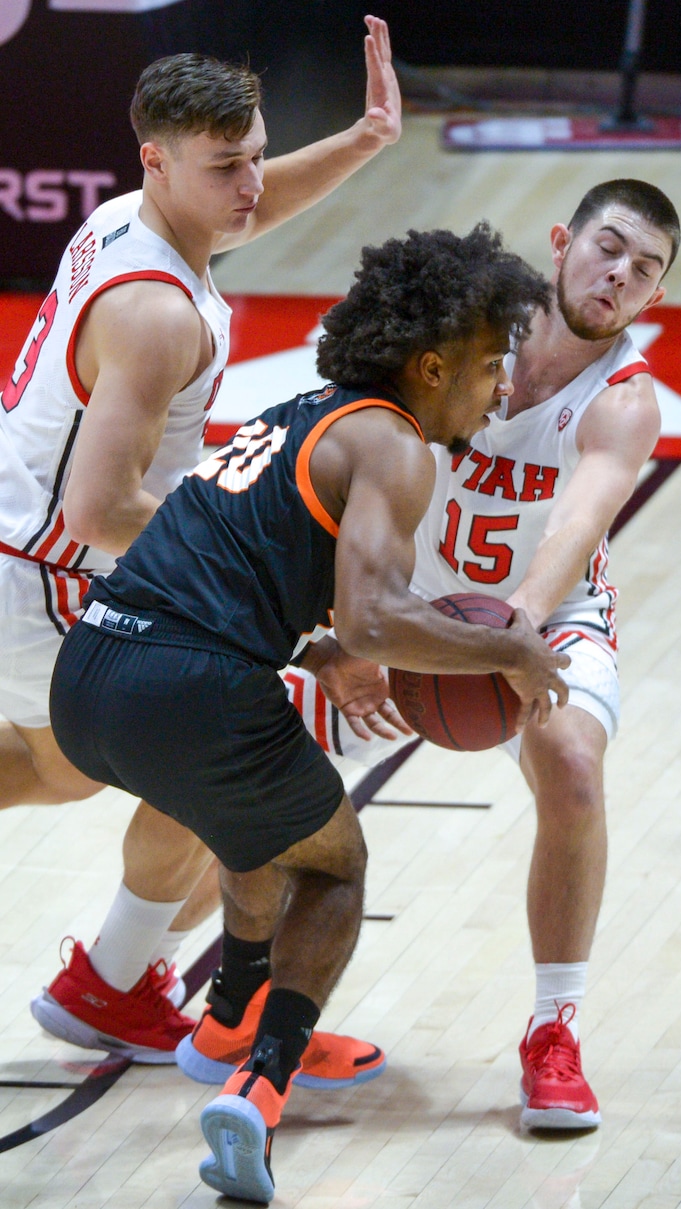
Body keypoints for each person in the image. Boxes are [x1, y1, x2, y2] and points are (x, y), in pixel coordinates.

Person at [48, 224, 570, 1203]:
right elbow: (377, 616)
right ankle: (260, 1085)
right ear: (430, 365)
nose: (499, 387)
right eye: (490, 364)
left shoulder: (298, 414)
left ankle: (229, 1017)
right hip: (189, 682)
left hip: (90, 674)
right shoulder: (396, 445)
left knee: (256, 824)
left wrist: (313, 647)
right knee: (333, 867)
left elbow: (231, 563)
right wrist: (509, 644)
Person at [2, 17, 406, 1074]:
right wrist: (244, 583)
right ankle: (116, 988)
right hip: (49, 569)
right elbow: (100, 510)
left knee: (68, 770)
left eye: (255, 157)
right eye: (226, 166)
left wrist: (364, 136)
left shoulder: (143, 216)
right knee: (203, 746)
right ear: (156, 158)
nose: (248, 186)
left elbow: (242, 208)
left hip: (32, 551)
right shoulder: (155, 317)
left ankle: (116, 984)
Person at [275, 178, 680, 1131]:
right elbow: (342, 455)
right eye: (608, 247)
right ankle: (138, 977)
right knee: (238, 745)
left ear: (655, 297)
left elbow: (568, 536)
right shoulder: (467, 324)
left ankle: (554, 1031)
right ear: (561, 242)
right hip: (397, 598)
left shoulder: (625, 402)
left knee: (574, 766)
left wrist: (507, 641)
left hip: (545, 616)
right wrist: (348, 624)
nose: (619, 274)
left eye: (645, 269)